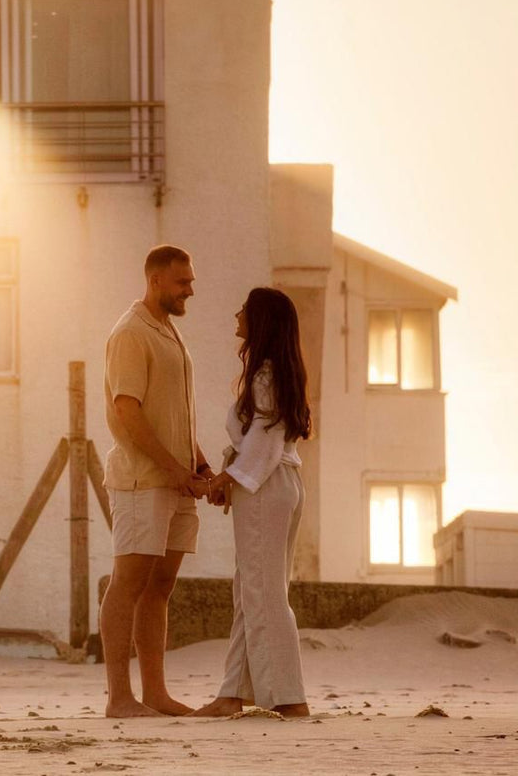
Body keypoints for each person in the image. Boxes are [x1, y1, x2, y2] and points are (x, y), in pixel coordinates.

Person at [98, 245, 214, 717]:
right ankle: (119, 699)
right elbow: (128, 411)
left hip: (174, 480)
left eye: (190, 280)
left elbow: (174, 414)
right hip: (141, 481)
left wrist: (199, 464)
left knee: (161, 586)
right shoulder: (130, 333)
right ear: (155, 282)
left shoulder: (170, 332)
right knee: (129, 581)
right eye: (182, 281)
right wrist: (171, 469)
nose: (191, 288)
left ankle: (155, 694)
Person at [191, 287, 312, 718]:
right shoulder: (276, 372)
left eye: (244, 309)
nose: (236, 313)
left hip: (266, 486)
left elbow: (265, 438)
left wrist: (229, 476)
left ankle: (290, 698)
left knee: (262, 593)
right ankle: (231, 693)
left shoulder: (266, 374)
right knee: (252, 590)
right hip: (279, 484)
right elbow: (266, 439)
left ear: (259, 321)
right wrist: (234, 476)